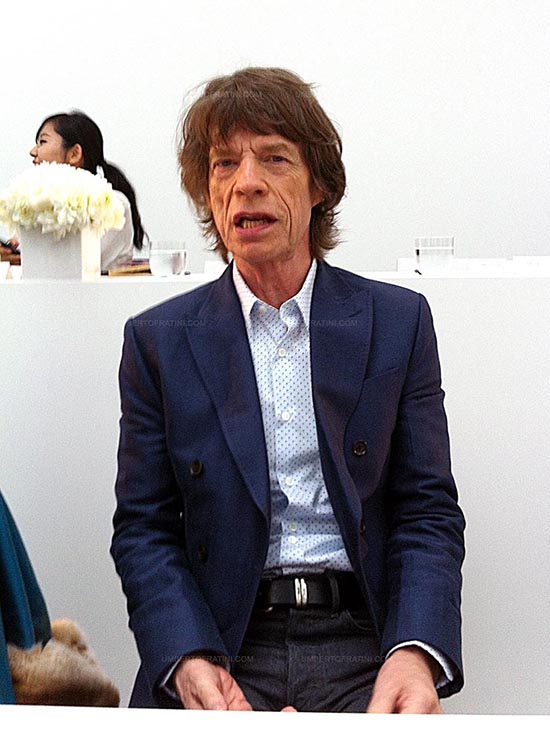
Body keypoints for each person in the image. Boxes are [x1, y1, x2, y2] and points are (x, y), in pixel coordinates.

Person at [111, 67, 465, 713]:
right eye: (224, 164)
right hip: (222, 642)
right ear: (208, 192)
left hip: (364, 643)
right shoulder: (157, 341)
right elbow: (144, 528)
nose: (246, 181)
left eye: (274, 158)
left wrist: (415, 651)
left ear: (319, 184)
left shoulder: (397, 322)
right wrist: (186, 656)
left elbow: (427, 510)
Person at [29, 111, 148, 272]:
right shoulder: (40, 204)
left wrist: (24, 256)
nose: (33, 152)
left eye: (42, 142)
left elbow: (76, 264)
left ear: (74, 154)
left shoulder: (112, 204)